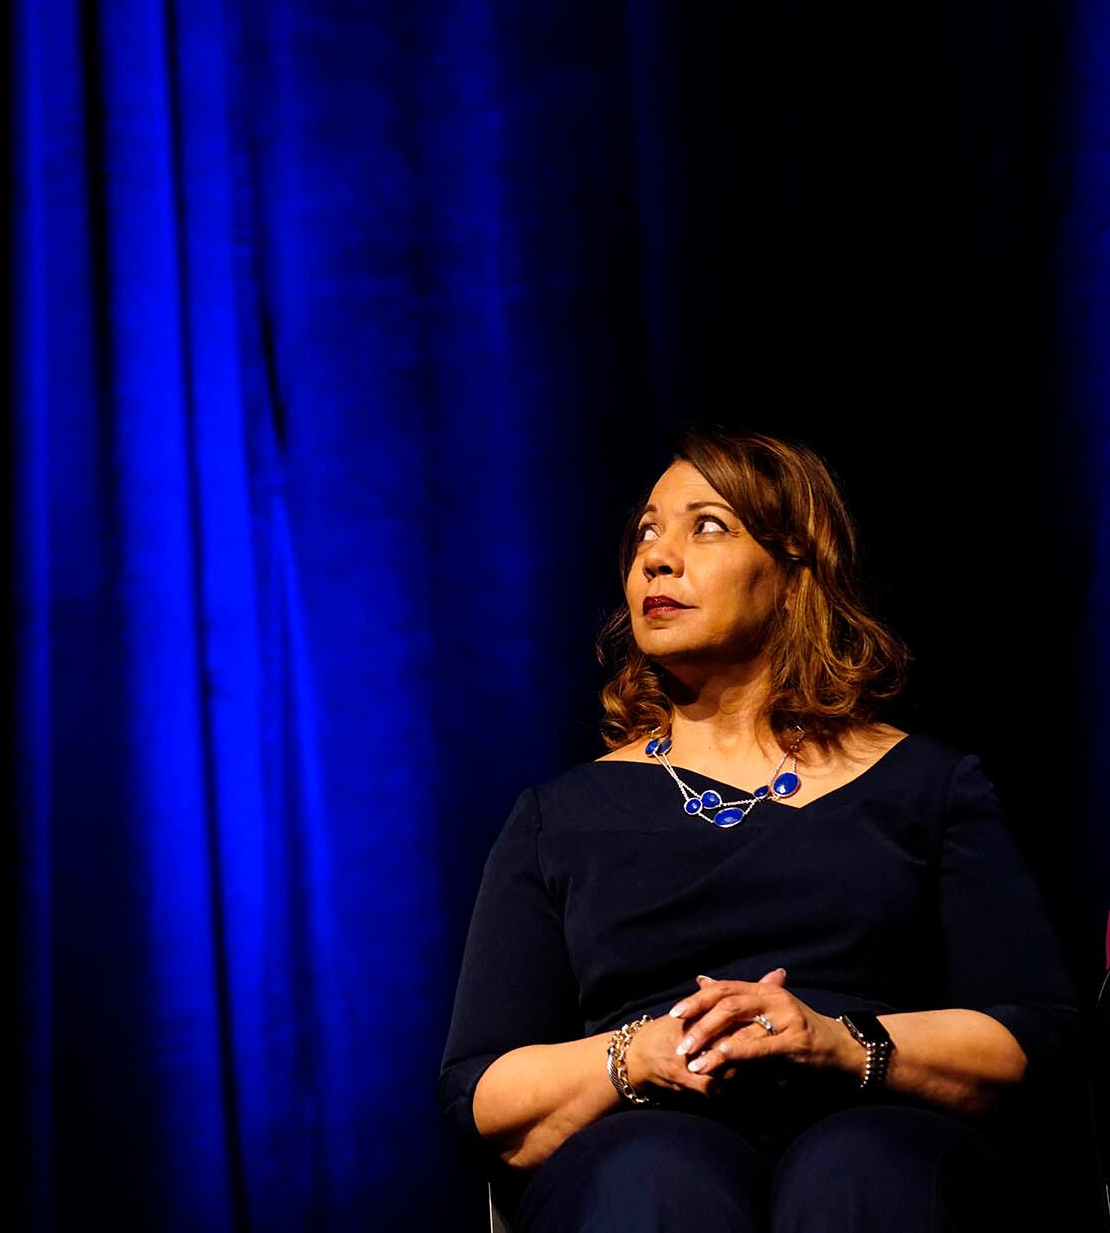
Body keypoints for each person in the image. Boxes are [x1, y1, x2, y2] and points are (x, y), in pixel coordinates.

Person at [439, 430, 1082, 1231]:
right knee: (653, 1179)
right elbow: (481, 1088)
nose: (658, 559)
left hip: (889, 1127)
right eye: (647, 531)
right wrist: (636, 1055)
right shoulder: (560, 817)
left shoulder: (929, 786)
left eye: (706, 525)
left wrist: (842, 1044)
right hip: (639, 1138)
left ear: (792, 574)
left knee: (859, 1170)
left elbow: (1037, 1039)